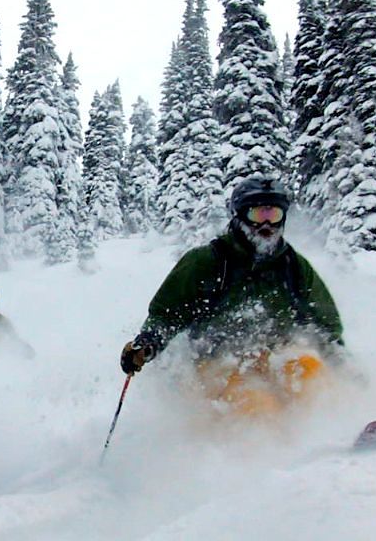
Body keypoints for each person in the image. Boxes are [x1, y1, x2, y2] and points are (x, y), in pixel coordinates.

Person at [120, 176, 346, 414]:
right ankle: (263, 448)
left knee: (311, 374)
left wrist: (345, 366)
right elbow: (167, 314)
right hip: (215, 364)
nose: (266, 225)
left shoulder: (294, 267)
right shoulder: (207, 261)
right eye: (259, 215)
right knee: (256, 402)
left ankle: (333, 434)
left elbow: (326, 325)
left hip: (275, 356)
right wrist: (147, 343)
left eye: (274, 215)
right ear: (240, 217)